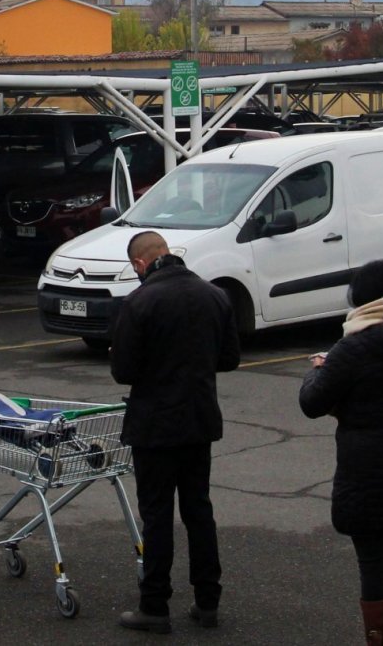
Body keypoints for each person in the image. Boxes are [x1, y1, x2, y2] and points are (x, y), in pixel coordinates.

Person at [298, 259, 383, 646]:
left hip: (370, 468)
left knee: (372, 559)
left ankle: (380, 639)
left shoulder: (353, 347)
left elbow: (312, 401)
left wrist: (318, 368)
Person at [109, 231, 241, 633]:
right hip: (199, 419)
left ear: (139, 265)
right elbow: (230, 358)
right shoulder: (214, 295)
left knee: (157, 515)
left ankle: (155, 605)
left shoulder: (140, 302)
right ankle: (208, 601)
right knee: (199, 509)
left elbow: (124, 372)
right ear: (169, 254)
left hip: (154, 425)